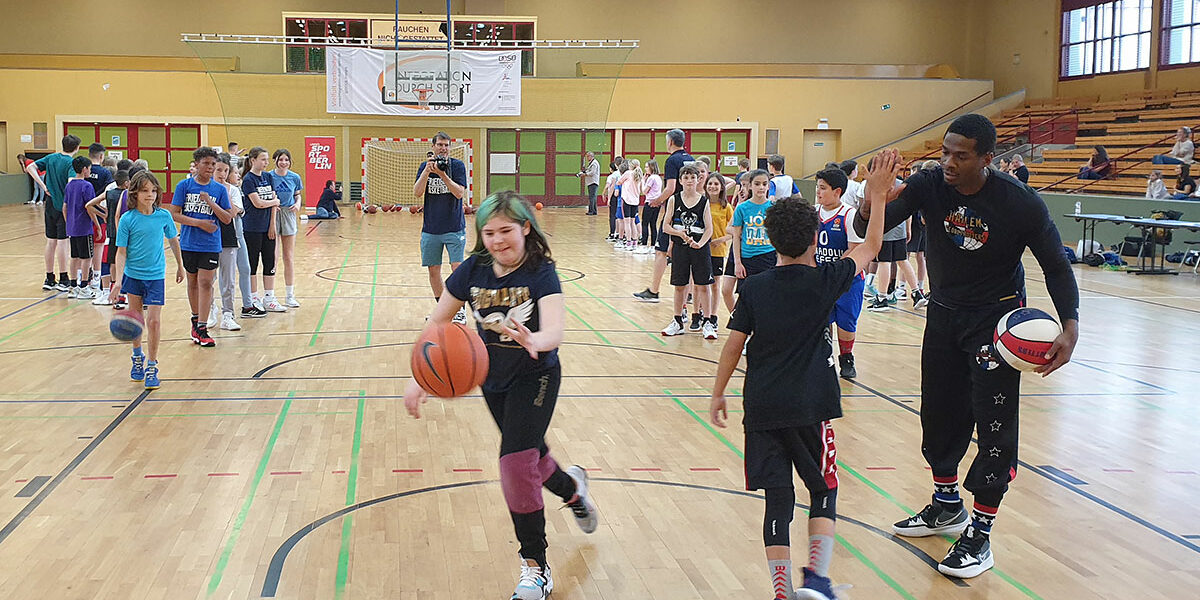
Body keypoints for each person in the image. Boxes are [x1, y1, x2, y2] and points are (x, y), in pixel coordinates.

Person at [853, 114, 1079, 579]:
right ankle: (946, 503)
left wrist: (1070, 326)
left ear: (987, 159)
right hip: (943, 312)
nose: (949, 163)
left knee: (994, 428)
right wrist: (875, 195)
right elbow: (869, 229)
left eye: (962, 155)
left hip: (994, 323)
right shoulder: (931, 184)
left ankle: (980, 532)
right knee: (938, 414)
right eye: (945, 152)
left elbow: (1056, 266)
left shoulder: (1020, 204)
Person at [709, 153, 891, 600]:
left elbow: (733, 344)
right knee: (823, 488)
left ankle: (782, 592)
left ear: (770, 240)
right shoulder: (828, 279)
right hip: (812, 404)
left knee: (777, 500)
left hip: (764, 406)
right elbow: (870, 246)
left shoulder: (754, 287)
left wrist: (717, 393)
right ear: (815, 237)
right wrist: (879, 194)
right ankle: (818, 579)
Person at [403, 191, 598, 600]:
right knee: (533, 461)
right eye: (488, 232)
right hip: (492, 381)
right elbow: (436, 324)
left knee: (514, 464)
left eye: (506, 230)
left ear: (526, 227)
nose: (497, 240)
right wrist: (421, 376)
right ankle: (575, 489)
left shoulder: (541, 271)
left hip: (537, 375)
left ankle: (535, 567)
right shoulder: (472, 269)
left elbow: (556, 330)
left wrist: (536, 340)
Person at [112, 171, 184, 391]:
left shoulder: (163, 216)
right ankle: (137, 355)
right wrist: (117, 282)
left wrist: (180, 265)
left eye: (153, 190)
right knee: (136, 321)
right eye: (144, 190)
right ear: (135, 192)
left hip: (156, 276)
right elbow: (121, 252)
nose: (150, 195)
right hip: (134, 276)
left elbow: (173, 241)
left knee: (154, 321)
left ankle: (152, 365)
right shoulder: (128, 219)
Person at [169, 147, 232, 348]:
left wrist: (210, 203)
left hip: (211, 243)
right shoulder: (184, 186)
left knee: (206, 282)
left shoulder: (219, 190)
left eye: (213, 164)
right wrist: (198, 223)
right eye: (206, 163)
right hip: (188, 242)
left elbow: (227, 218)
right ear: (196, 164)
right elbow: (174, 214)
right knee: (193, 282)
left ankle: (203, 327)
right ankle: (195, 321)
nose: (210, 167)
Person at [812, 168, 865, 380]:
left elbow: (855, 248)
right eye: (817, 187)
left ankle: (847, 357)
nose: (818, 192)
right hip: (821, 278)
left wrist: (836, 270)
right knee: (822, 320)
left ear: (837, 191)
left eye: (823, 188)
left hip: (847, 280)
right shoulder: (813, 212)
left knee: (846, 322)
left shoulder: (849, 214)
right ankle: (827, 358)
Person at [413, 132, 470, 324]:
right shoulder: (424, 167)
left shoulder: (458, 166)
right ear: (433, 146)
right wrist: (427, 172)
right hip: (431, 229)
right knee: (433, 270)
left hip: (454, 227)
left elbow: (459, 193)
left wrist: (442, 174)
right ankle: (444, 311)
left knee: (457, 269)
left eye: (446, 145)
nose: (443, 148)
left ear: (450, 147)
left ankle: (459, 311)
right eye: (440, 145)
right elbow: (417, 193)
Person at [634, 129, 694, 302]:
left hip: (674, 211)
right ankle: (689, 293)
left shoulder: (672, 160)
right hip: (691, 210)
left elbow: (670, 188)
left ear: (670, 142)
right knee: (687, 251)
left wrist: (657, 201)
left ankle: (654, 291)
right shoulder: (691, 159)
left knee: (661, 250)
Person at [660, 165, 715, 338]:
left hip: (699, 249)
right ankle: (677, 321)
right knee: (679, 286)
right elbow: (666, 226)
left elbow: (709, 229)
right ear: (681, 180)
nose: (690, 181)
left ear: (698, 179)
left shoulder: (704, 201)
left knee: (703, 285)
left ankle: (707, 322)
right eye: (686, 177)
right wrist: (680, 234)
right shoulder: (674, 200)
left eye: (693, 177)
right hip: (680, 249)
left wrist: (700, 243)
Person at [26, 135, 80, 292]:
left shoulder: (51, 157)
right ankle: (64, 278)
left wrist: (43, 186)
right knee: (63, 242)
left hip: (50, 204)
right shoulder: (71, 163)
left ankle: (49, 278)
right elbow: (71, 183)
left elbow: (30, 167)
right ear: (76, 148)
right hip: (63, 205)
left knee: (51, 241)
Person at [240, 146, 285, 314]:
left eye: (267, 160)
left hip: (268, 227)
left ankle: (269, 297)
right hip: (252, 228)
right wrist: (275, 202)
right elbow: (257, 203)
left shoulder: (268, 177)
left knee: (270, 262)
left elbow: (274, 200)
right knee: (252, 264)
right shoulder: (249, 180)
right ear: (253, 160)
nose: (266, 163)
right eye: (263, 159)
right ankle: (253, 298)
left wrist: (272, 224)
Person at [85, 169, 130, 306]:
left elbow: (89, 205)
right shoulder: (127, 195)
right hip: (123, 233)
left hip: (111, 233)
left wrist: (104, 214)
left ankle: (112, 291)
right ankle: (124, 293)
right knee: (125, 262)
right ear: (127, 183)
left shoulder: (109, 194)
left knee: (112, 263)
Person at [271, 149, 303, 308]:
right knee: (273, 257)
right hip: (273, 214)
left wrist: (297, 204)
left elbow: (297, 194)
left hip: (289, 214)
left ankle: (290, 295)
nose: (283, 162)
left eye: (286, 159)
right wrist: (271, 205)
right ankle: (271, 295)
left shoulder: (294, 177)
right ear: (275, 160)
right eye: (280, 159)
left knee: (288, 257)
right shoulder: (269, 176)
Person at [63, 156, 98, 300]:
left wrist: (69, 223)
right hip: (84, 227)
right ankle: (84, 287)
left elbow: (64, 207)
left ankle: (73, 286)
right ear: (85, 169)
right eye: (89, 169)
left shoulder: (69, 185)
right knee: (87, 258)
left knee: (74, 257)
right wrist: (97, 224)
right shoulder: (87, 186)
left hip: (72, 227)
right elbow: (90, 207)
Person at [707, 173, 735, 319]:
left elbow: (734, 232)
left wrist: (720, 240)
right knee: (701, 285)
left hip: (718, 251)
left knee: (715, 285)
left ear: (722, 187)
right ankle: (700, 314)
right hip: (702, 251)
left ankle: (713, 315)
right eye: (710, 183)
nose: (713, 187)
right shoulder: (702, 204)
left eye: (716, 184)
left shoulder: (727, 207)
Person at [617, 159, 643, 250]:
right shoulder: (640, 175)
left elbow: (619, 182)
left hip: (627, 200)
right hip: (635, 201)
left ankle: (628, 242)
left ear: (630, 166)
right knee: (633, 222)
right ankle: (635, 242)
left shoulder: (628, 173)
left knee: (627, 222)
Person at [639, 159, 663, 252]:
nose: (645, 169)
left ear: (651, 167)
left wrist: (643, 181)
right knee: (653, 224)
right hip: (657, 203)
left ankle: (644, 245)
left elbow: (644, 191)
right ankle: (653, 245)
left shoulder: (651, 178)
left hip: (649, 202)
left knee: (645, 223)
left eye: (646, 167)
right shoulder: (658, 178)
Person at [577, 151, 601, 215]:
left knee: (592, 197)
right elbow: (589, 170)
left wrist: (584, 174)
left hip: (593, 182)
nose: (587, 158)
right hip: (591, 182)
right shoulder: (591, 163)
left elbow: (592, 173)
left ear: (592, 156)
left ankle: (591, 211)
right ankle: (594, 211)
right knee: (593, 197)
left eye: (588, 156)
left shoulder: (594, 163)